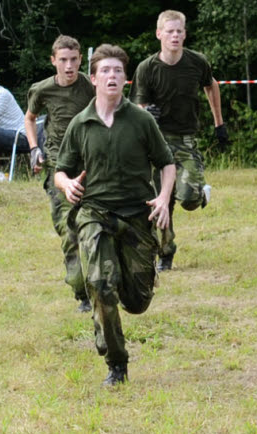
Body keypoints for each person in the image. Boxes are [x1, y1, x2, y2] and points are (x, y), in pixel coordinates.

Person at [55, 44, 175, 386]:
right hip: (95, 214)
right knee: (101, 285)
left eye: (118, 71)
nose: (112, 76)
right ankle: (116, 363)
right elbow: (60, 171)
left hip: (137, 215)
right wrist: (65, 186)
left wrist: (164, 198)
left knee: (137, 302)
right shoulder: (81, 124)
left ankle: (112, 299)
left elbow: (166, 163)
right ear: (92, 79)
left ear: (126, 79)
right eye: (105, 71)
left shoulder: (141, 120)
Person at [130, 9, 228, 271]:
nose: (175, 36)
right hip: (156, 141)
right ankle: (165, 252)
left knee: (188, 198)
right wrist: (145, 111)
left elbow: (212, 85)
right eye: (169, 31)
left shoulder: (197, 62)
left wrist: (220, 124)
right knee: (161, 201)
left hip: (185, 140)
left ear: (185, 34)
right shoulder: (147, 68)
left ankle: (199, 193)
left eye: (179, 31)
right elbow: (136, 105)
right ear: (159, 34)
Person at [25, 35, 96, 312]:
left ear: (81, 60)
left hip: (90, 165)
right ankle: (81, 291)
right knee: (69, 231)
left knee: (97, 226)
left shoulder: (90, 87)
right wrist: (34, 149)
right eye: (63, 60)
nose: (69, 66)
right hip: (58, 167)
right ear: (53, 60)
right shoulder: (42, 90)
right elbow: (30, 119)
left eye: (74, 60)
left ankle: (105, 279)